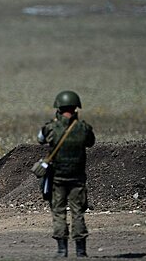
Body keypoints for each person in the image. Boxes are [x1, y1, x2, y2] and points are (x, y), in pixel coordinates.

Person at [37, 91, 95, 257]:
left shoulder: (51, 128)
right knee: (78, 213)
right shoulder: (83, 128)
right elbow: (91, 142)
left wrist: (54, 123)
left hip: (58, 179)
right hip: (77, 179)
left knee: (59, 213)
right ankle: (81, 251)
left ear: (58, 108)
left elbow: (40, 138)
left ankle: (62, 251)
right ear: (76, 108)